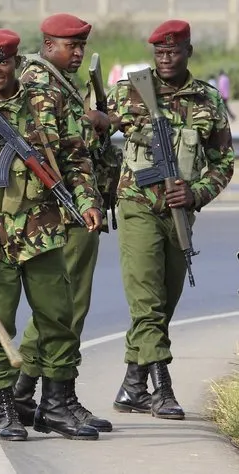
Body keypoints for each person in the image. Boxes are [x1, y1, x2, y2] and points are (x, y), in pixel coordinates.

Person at [0, 28, 104, 441]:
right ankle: (6, 409)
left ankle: (57, 405)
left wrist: (87, 201)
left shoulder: (46, 104)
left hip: (44, 232)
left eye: (3, 62)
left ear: (16, 62)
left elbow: (76, 157)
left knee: (58, 319)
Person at [108, 20, 234, 420]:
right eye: (159, 52)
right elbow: (87, 136)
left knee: (165, 301)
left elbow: (223, 162)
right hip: (137, 206)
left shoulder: (209, 101)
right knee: (146, 302)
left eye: (173, 52)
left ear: (188, 53)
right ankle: (163, 390)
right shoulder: (127, 93)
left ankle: (132, 386)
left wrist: (196, 193)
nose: (165, 58)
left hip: (180, 213)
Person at [14, 13, 117, 433]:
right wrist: (92, 126)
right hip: (65, 209)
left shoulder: (58, 81)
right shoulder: (41, 83)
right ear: (48, 44)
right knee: (65, 308)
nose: (77, 53)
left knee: (65, 306)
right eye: (70, 46)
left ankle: (39, 396)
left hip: (75, 205)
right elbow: (57, 149)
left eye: (81, 47)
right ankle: (49, 398)